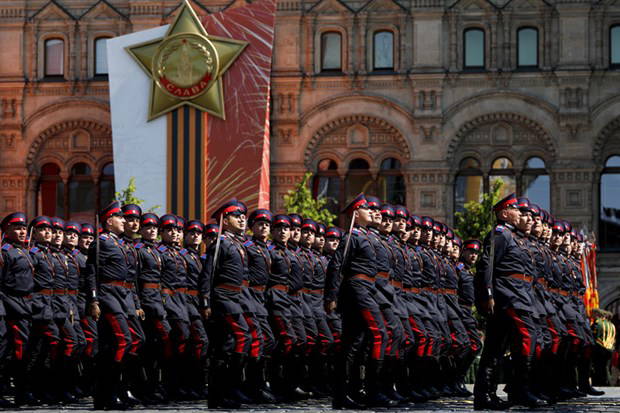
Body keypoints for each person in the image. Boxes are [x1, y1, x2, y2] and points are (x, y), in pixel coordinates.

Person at [474, 193, 544, 409]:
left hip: (519, 295)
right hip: (509, 296)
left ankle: (486, 395)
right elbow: (486, 265)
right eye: (515, 210)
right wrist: (487, 295)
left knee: (496, 346)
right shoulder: (501, 234)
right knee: (526, 338)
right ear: (504, 213)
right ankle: (519, 390)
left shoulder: (514, 236)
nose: (519, 213)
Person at [326, 193, 395, 408]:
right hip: (357, 289)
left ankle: (348, 393)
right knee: (379, 334)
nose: (371, 212)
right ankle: (371, 390)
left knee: (354, 342)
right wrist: (331, 296)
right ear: (356, 213)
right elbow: (336, 266)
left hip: (367, 289)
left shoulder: (366, 236)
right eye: (366, 209)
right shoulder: (351, 237)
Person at [200, 199, 252, 408]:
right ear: (225, 220)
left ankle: (222, 393)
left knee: (226, 345)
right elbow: (207, 275)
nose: (242, 219)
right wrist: (205, 302)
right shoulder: (220, 244)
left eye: (243, 216)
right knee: (242, 337)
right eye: (236, 216)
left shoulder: (237, 244)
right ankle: (227, 389)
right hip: (223, 297)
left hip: (236, 298)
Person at [0, 212, 34, 406]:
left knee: (23, 350)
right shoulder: (5, 252)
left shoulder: (23, 251)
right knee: (10, 350)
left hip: (26, 305)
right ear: (7, 230)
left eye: (24, 228)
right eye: (18, 228)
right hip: (12, 305)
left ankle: (22, 392)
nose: (22, 232)